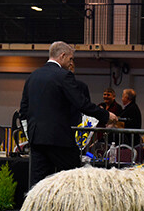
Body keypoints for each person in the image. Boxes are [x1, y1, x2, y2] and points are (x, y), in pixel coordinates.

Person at [19, 41, 118, 187]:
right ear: (63, 55)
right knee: (73, 180)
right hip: (59, 139)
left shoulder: (33, 76)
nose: (71, 62)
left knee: (37, 184)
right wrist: (106, 115)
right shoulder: (63, 76)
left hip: (36, 139)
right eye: (71, 59)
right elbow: (81, 103)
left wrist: (31, 132)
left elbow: (23, 110)